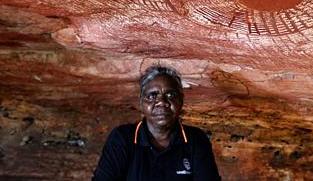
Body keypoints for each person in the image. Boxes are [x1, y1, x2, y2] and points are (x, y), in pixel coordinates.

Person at [92, 66, 221, 181]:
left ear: (181, 101)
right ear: (141, 103)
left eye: (170, 95)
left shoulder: (195, 140)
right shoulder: (122, 139)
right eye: (152, 96)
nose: (161, 102)